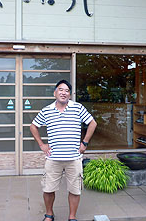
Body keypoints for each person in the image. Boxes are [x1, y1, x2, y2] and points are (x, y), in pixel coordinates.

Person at [30, 79, 97, 221]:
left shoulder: (77, 108)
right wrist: (42, 145)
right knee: (48, 189)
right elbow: (33, 126)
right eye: (61, 90)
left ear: (70, 95)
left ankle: (72, 217)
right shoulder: (46, 110)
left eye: (67, 91)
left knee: (75, 190)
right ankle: (49, 214)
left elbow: (92, 123)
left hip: (74, 158)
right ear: (55, 92)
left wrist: (84, 142)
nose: (64, 93)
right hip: (53, 158)